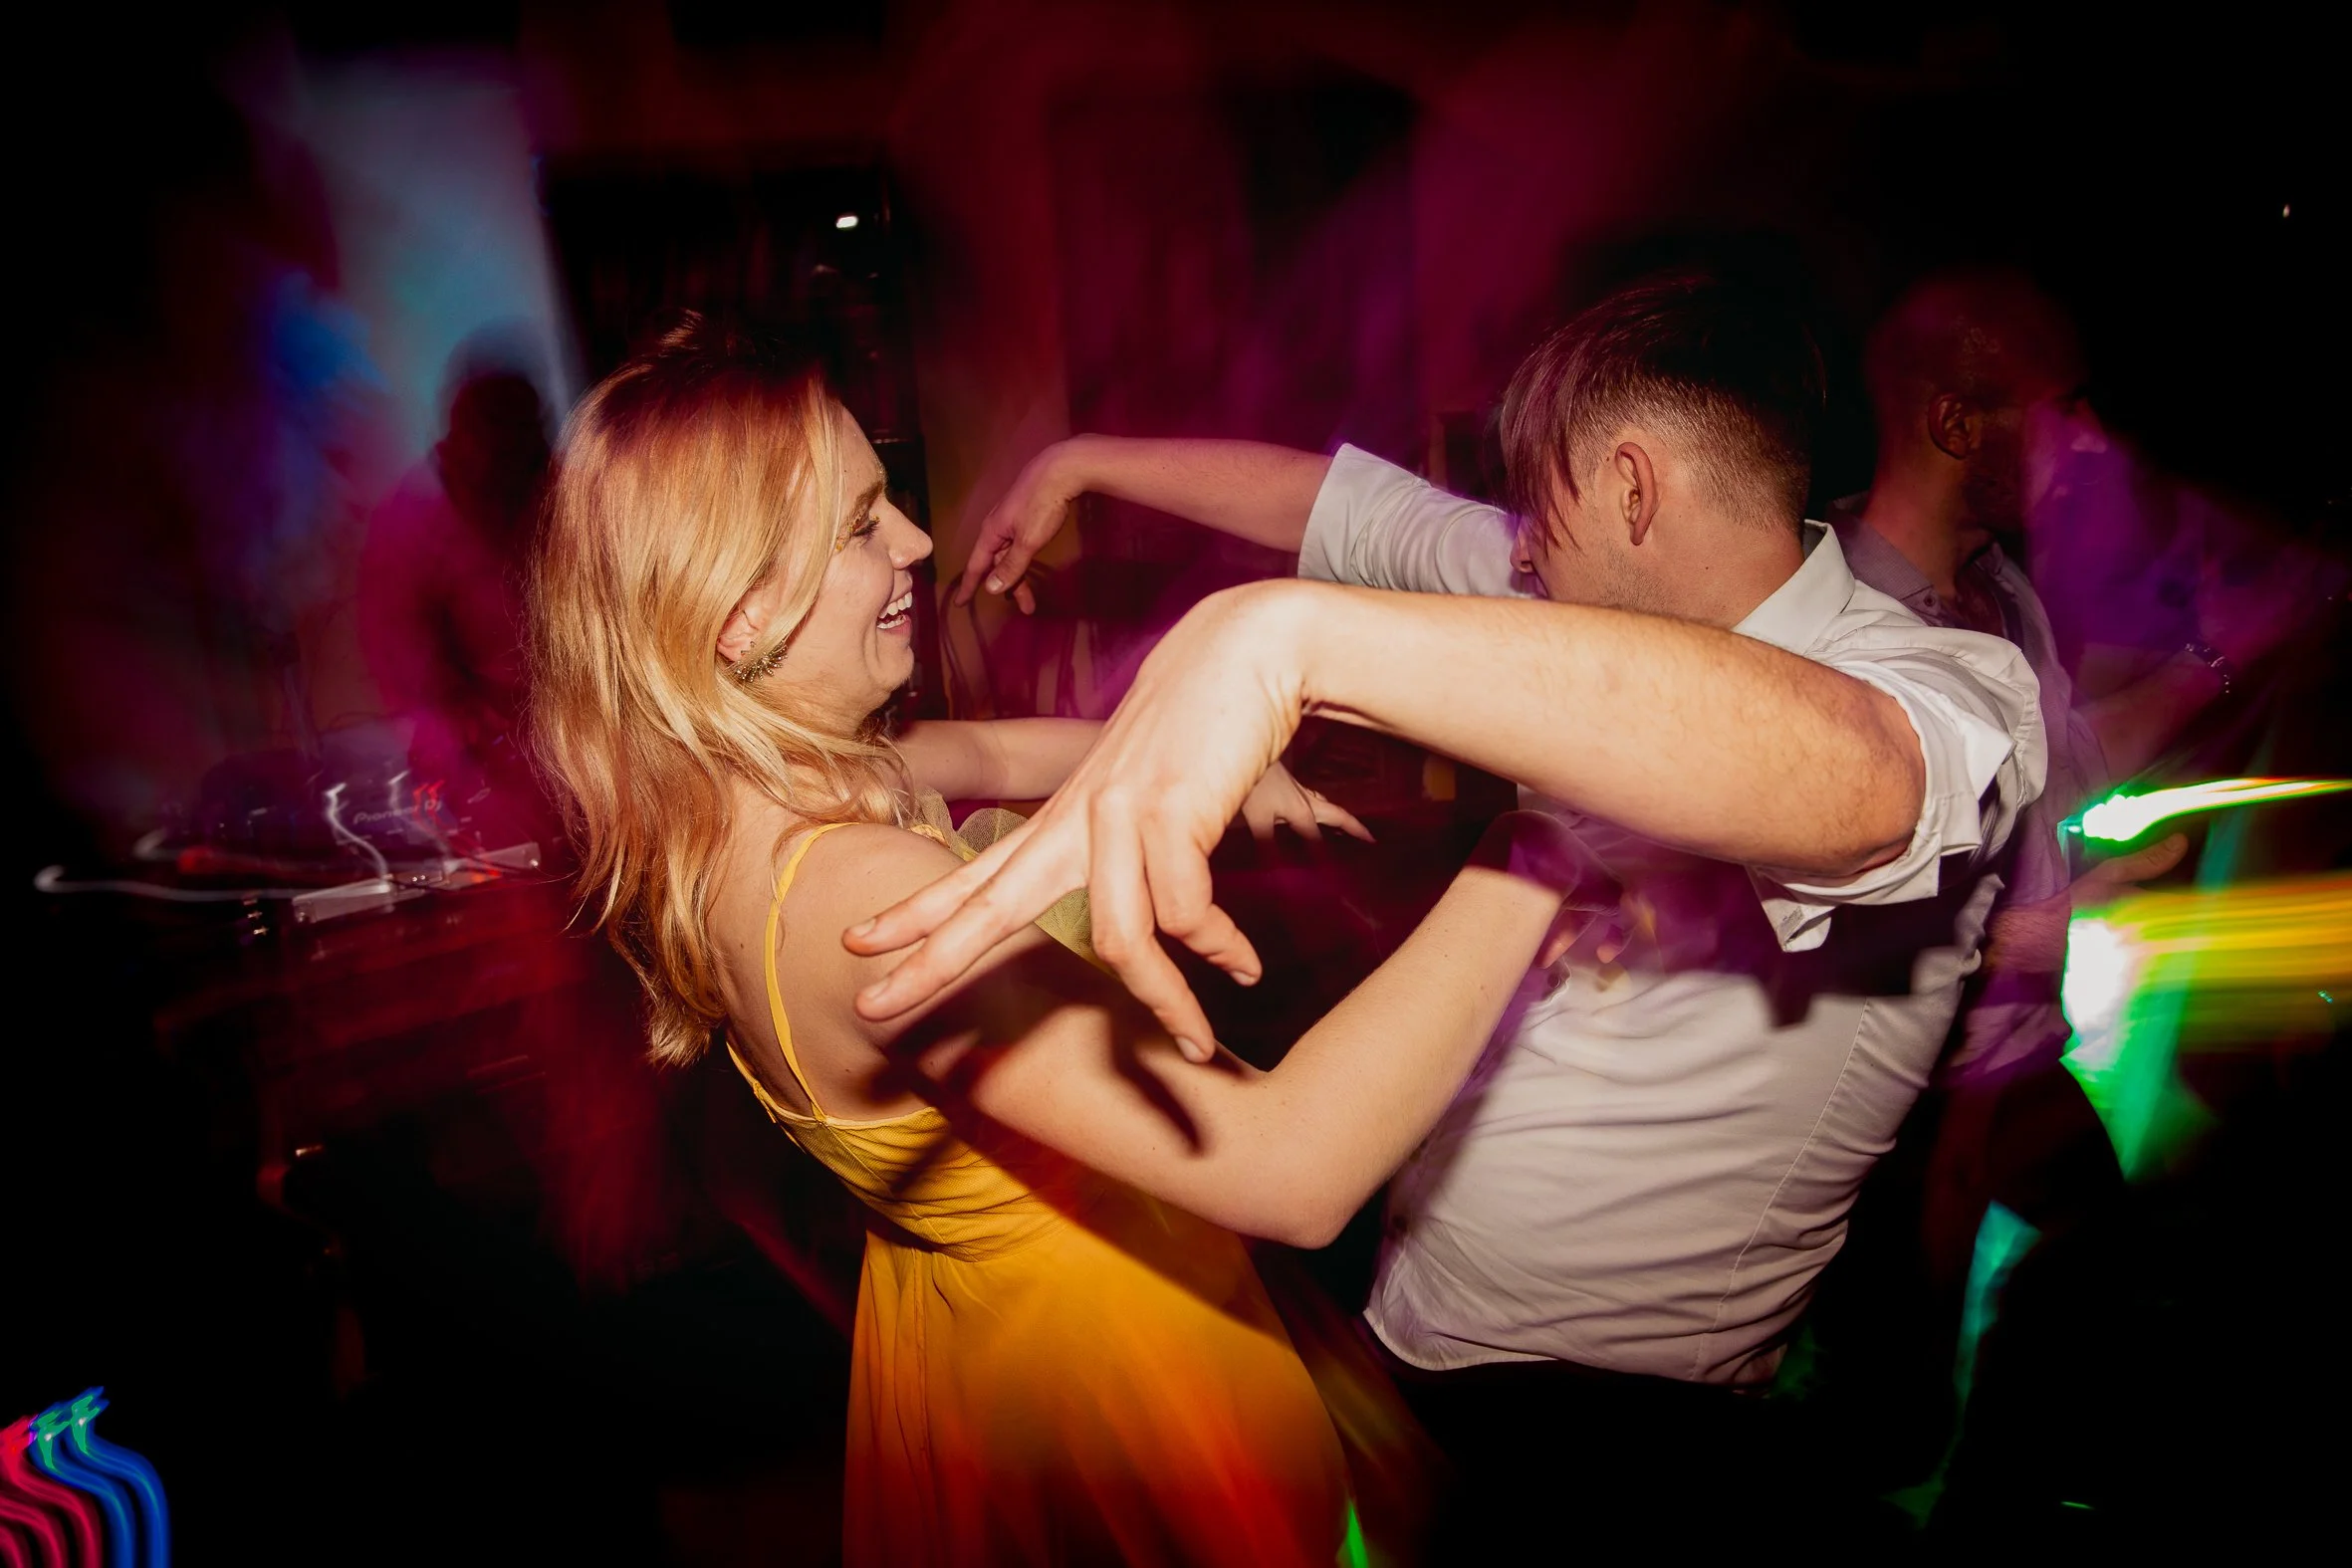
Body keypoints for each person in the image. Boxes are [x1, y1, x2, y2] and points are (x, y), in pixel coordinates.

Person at [871, 274, 2050, 1546]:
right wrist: (1082, 460)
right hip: (1415, 1321)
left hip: (1618, 1422)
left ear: (1634, 490)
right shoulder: (1578, 578)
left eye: (1538, 510)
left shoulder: (1946, 682)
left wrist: (1283, 644)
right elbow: (1341, 509)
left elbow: (1862, 780)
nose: (1516, 548)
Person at [526, 316, 1593, 1567]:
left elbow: (994, 751)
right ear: (739, 611)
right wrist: (1541, 849)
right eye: (861, 526)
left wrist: (1208, 759)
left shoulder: (762, 794)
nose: (915, 541)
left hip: (968, 1317)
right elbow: (1291, 1171)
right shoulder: (857, 897)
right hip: (1115, 1369)